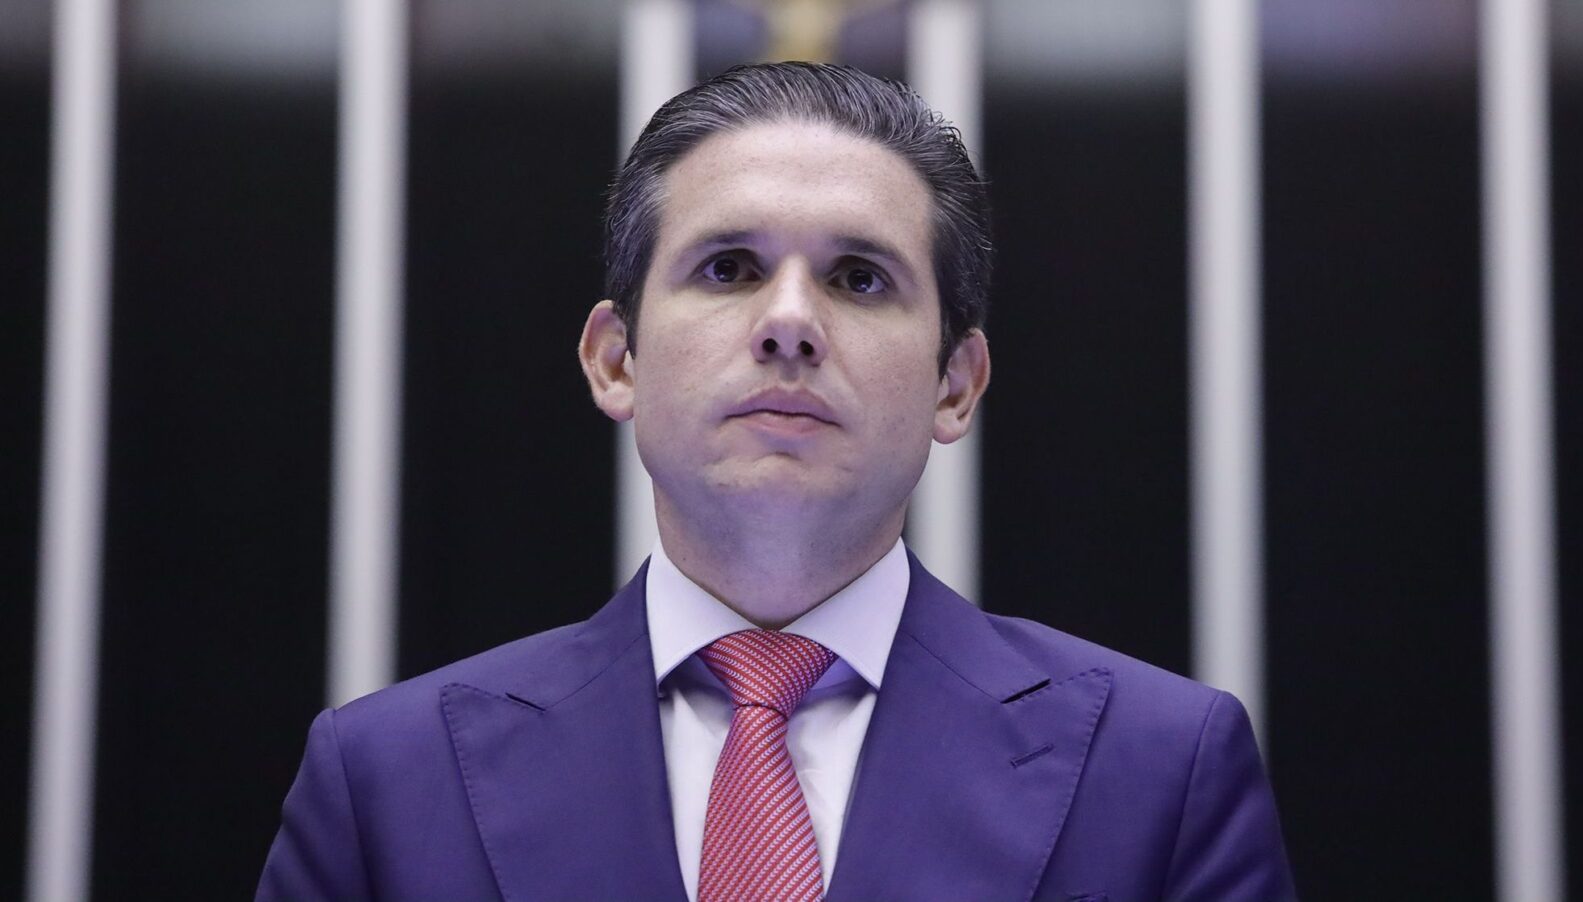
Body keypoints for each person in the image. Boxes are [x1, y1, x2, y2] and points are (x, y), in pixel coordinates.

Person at [258, 62, 1295, 901]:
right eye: (729, 268)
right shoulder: (387, 782)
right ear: (616, 360)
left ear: (955, 383)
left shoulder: (1159, 769)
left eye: (859, 277)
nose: (790, 321)